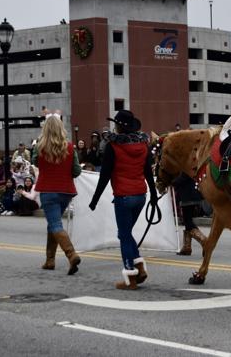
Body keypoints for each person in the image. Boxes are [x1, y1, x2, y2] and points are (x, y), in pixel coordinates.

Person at [88, 110, 156, 290]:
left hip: (123, 196)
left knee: (124, 235)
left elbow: (105, 176)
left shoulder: (113, 146)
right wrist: (154, 197)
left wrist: (94, 200)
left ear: (119, 126)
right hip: (141, 196)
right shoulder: (143, 145)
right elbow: (149, 172)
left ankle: (131, 277)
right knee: (124, 233)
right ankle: (139, 267)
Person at [33, 112, 82, 275]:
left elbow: (35, 163)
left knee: (55, 224)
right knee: (53, 224)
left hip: (48, 190)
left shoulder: (39, 146)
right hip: (66, 191)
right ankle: (50, 260)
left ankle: (71, 254)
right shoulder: (69, 147)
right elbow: (76, 171)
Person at [173, 172, 207, 256]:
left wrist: (173, 181)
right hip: (190, 193)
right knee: (187, 221)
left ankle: (204, 241)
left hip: (188, 194)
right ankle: (186, 247)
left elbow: (184, 175)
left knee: (188, 222)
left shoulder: (186, 163)